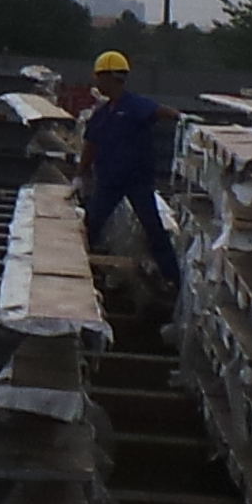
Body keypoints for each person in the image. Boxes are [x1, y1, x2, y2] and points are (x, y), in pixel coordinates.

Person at [77, 51, 178, 317]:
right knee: (90, 225)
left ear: (110, 77)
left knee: (154, 229)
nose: (97, 83)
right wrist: (81, 174)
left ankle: (172, 278)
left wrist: (184, 120)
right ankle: (77, 270)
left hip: (137, 181)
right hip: (110, 182)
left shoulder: (134, 105)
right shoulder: (102, 114)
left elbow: (162, 112)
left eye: (99, 77)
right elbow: (90, 145)